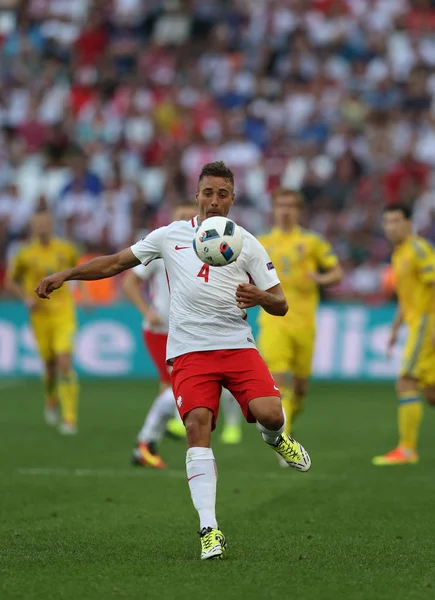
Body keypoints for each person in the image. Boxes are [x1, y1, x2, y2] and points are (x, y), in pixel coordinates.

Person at [35, 161, 311, 561]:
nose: (214, 201)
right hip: (188, 350)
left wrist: (260, 298)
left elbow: (281, 303)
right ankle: (209, 529)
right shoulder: (169, 236)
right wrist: (67, 274)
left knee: (270, 413)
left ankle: (276, 439)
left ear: (233, 199)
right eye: (208, 192)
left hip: (236, 345)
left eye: (223, 194)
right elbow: (115, 263)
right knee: (198, 427)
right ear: (197, 195)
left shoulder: (247, 242)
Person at [122, 204, 243, 469]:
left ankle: (150, 442)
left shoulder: (207, 252)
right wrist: (147, 310)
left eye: (186, 218)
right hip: (162, 330)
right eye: (177, 218)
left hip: (191, 332)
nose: (182, 223)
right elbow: (129, 281)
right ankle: (146, 443)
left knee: (178, 389)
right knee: (174, 388)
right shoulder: (162, 247)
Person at [257, 189, 342, 464]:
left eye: (291, 205)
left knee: (301, 387)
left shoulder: (312, 241)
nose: (285, 210)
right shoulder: (261, 241)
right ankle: (285, 442)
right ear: (273, 208)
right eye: (280, 205)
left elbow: (337, 272)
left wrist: (318, 277)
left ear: (298, 210)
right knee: (279, 382)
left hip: (304, 322)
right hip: (273, 321)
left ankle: (289, 420)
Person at [372, 203, 435, 466]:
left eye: (396, 221)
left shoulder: (418, 249)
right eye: (387, 222)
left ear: (409, 223)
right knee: (431, 392)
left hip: (426, 324)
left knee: (406, 382)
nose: (391, 227)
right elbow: (406, 299)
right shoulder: (399, 254)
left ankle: (407, 449)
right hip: (415, 323)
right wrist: (396, 329)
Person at [7, 211, 80, 434]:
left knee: (64, 361)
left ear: (52, 225)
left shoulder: (65, 249)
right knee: (49, 366)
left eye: (46, 223)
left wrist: (85, 295)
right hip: (40, 315)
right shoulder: (24, 254)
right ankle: (50, 397)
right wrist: (26, 298)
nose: (42, 228)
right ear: (32, 228)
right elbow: (11, 281)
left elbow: (78, 270)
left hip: (63, 312)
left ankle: (69, 417)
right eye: (38, 224)